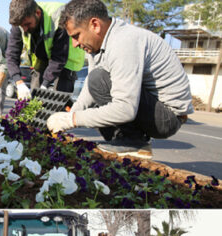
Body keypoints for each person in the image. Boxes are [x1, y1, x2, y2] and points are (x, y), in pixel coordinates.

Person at [46, 0, 193, 160]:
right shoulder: (99, 44)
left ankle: (134, 141)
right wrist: (71, 115)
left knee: (99, 80)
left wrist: (73, 120)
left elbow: (124, 108)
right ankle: (125, 141)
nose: (74, 44)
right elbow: (90, 87)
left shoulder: (123, 42)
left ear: (95, 25)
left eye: (76, 36)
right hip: (152, 108)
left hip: (167, 117)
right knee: (96, 82)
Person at [6, 0, 85, 102]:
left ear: (38, 13)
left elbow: (59, 57)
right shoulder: (19, 22)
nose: (24, 29)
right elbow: (12, 55)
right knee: (34, 99)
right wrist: (19, 82)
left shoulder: (59, 16)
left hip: (65, 60)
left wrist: (45, 85)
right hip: (41, 58)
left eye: (27, 24)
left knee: (58, 101)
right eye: (22, 26)